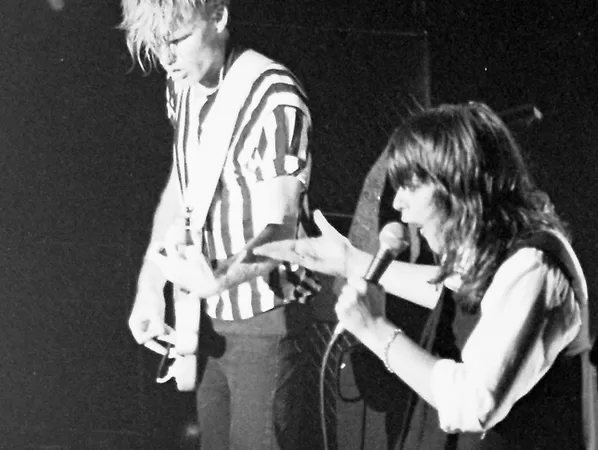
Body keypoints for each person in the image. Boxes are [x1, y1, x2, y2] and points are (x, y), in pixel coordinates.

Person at [254, 102, 595, 449]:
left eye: (410, 186)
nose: (398, 204)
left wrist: (374, 330)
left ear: (458, 183)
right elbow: (453, 294)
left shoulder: (534, 267)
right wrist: (351, 262)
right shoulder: (499, 260)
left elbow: (473, 403)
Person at [120, 1, 321, 449]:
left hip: (265, 322)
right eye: (157, 44)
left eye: (176, 40)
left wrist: (219, 279)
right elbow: (182, 183)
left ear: (219, 16)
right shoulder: (182, 87)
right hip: (206, 323)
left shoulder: (273, 96)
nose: (167, 59)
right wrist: (150, 282)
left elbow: (283, 229)